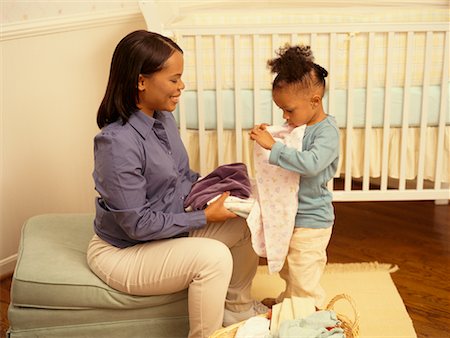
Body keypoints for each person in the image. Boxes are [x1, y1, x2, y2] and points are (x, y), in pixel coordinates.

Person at [86, 30, 264, 338]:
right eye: (174, 79)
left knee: (249, 219)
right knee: (214, 258)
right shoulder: (115, 144)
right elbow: (137, 225)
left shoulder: (163, 118)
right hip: (124, 252)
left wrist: (220, 195)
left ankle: (236, 310)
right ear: (141, 81)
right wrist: (203, 217)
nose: (181, 87)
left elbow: (180, 177)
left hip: (163, 234)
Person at [249, 44, 340, 309]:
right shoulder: (297, 125)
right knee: (290, 269)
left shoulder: (327, 132)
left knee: (304, 272)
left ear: (315, 101)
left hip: (312, 218)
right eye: (281, 111)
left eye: (289, 110)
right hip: (289, 215)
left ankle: (307, 314)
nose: (285, 117)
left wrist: (272, 146)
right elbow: (285, 144)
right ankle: (288, 302)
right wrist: (270, 133)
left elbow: (311, 164)